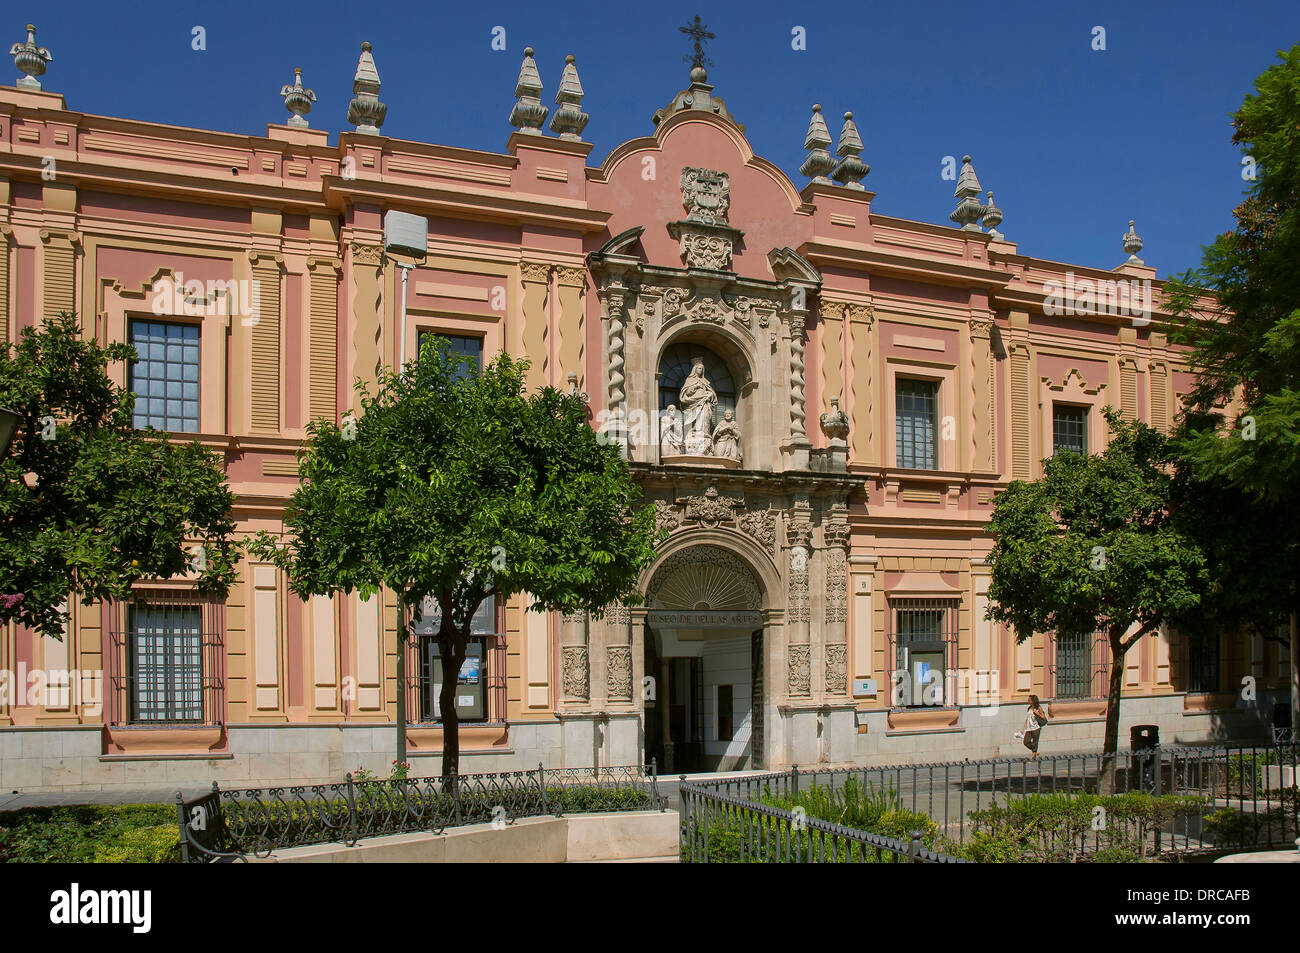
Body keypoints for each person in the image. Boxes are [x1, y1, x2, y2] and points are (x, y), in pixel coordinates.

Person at [1017, 694, 1048, 759]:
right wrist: (1023, 729)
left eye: (1029, 700)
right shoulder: (1029, 708)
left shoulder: (1038, 707)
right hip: (1029, 728)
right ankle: (1034, 752)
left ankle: (1033, 757)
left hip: (1036, 728)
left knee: (1035, 742)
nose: (1028, 701)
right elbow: (1027, 719)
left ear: (1033, 700)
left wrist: (1037, 713)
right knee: (1026, 742)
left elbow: (1043, 717)